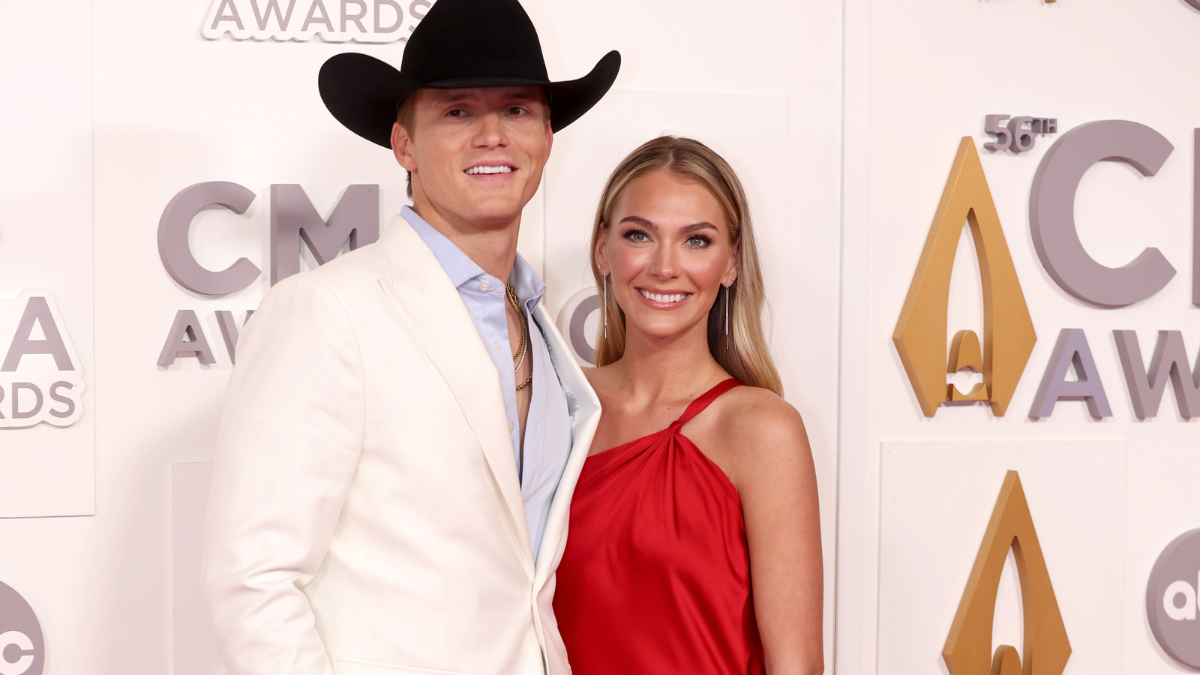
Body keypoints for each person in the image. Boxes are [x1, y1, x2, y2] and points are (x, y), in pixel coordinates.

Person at [201, 1, 620, 674]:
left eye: (517, 110)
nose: (493, 135)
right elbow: (253, 581)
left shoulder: (539, 324)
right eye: (458, 111)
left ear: (547, 137)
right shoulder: (328, 311)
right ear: (404, 146)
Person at [553, 136, 824, 675]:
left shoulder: (762, 430)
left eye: (696, 240)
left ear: (731, 263)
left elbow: (796, 666)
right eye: (639, 235)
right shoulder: (556, 405)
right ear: (602, 250)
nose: (665, 266)